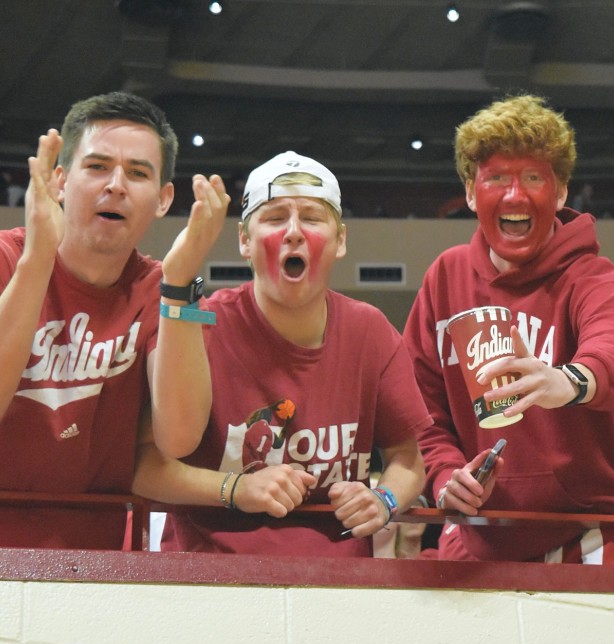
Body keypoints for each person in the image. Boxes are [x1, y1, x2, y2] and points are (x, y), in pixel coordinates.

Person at [404, 94, 614, 566]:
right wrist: (446, 477)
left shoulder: (591, 275)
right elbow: (423, 417)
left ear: (561, 192)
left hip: (594, 533)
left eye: (533, 178)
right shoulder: (444, 278)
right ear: (469, 192)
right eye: (497, 178)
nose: (514, 195)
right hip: (482, 537)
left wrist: (567, 380)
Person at [0, 91, 225, 549]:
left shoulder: (162, 291)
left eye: (138, 173)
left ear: (163, 200)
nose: (116, 184)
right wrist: (38, 257)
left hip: (86, 545)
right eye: (97, 166)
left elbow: (179, 438)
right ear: (60, 180)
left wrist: (179, 285)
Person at [134, 151, 429, 556]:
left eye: (311, 217)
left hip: (340, 584)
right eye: (274, 218)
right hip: (209, 582)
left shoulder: (370, 330)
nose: (293, 232)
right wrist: (235, 489)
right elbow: (145, 466)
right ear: (244, 241)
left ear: (340, 240)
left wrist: (384, 500)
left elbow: (409, 459)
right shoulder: (198, 325)